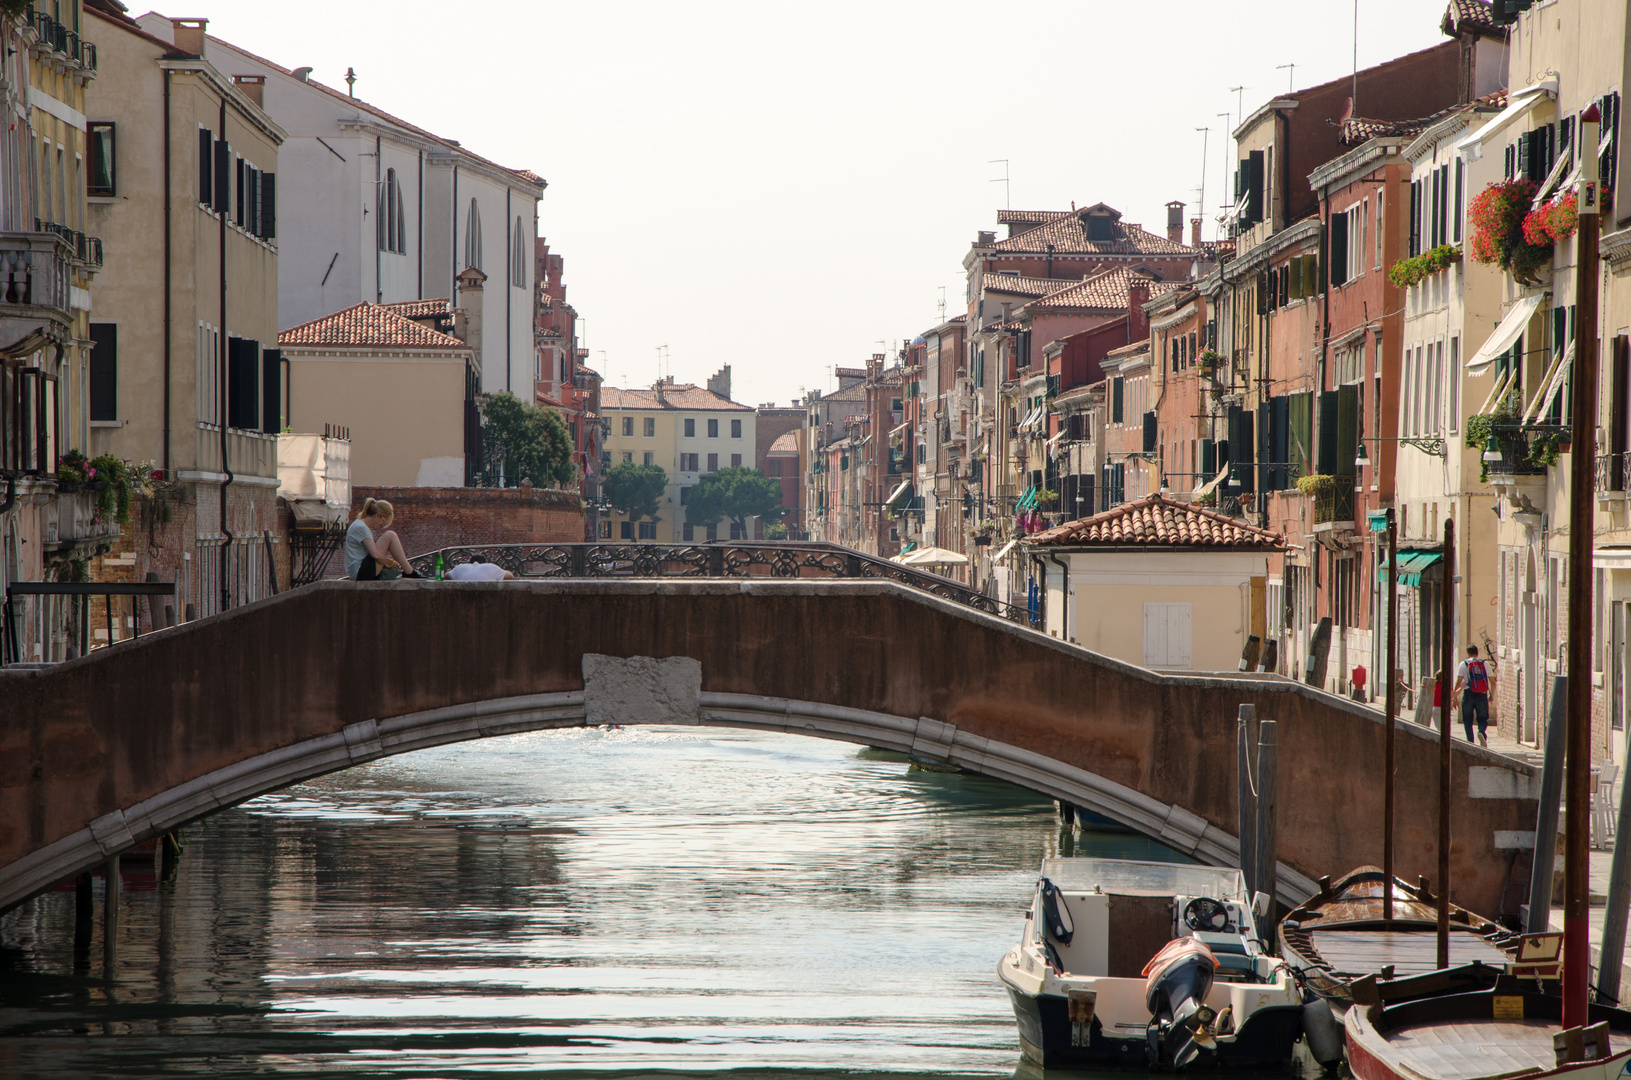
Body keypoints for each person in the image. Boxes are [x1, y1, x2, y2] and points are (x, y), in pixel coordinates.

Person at [344, 498, 419, 581]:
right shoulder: (361, 527)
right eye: (383, 521)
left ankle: (409, 571)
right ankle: (409, 572)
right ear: (378, 515)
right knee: (390, 535)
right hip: (360, 571)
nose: (382, 524)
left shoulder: (359, 525)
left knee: (390, 535)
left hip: (358, 571)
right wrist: (390, 563)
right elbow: (376, 555)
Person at [1452, 644, 1495, 748]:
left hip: (1468, 694)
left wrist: (1454, 698)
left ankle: (1470, 742)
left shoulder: (1463, 664)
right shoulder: (1485, 664)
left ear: (1467, 654)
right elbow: (1493, 682)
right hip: (1482, 694)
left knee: (1467, 720)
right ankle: (1481, 732)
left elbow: (1458, 682)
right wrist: (1491, 695)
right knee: (1482, 718)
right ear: (1477, 653)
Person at [446, 554, 514, 581]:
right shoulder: (491, 567)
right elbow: (510, 576)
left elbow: (445, 575)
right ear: (485, 563)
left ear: (470, 562)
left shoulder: (460, 567)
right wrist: (506, 571)